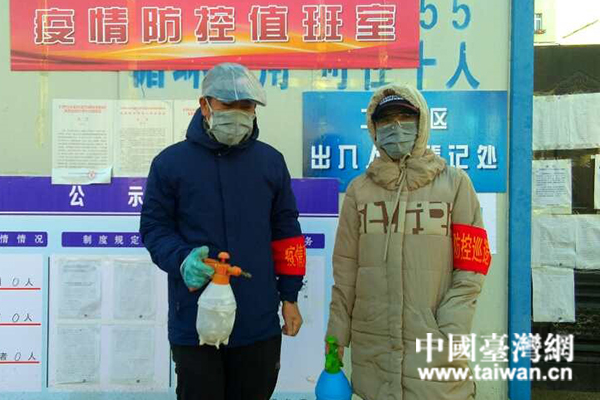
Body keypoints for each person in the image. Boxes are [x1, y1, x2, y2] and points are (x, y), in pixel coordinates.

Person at [140, 62, 306, 400]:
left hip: (257, 320)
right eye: (228, 105)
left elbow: (287, 232)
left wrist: (289, 297)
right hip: (195, 321)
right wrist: (182, 258)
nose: (238, 114)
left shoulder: (270, 162)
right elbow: (155, 228)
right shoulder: (170, 164)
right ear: (205, 105)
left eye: (246, 106)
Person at [326, 83, 492, 400]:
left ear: (422, 122)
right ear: (374, 129)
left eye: (405, 117)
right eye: (387, 120)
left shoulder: (455, 184)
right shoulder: (359, 191)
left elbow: (473, 266)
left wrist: (450, 330)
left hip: (434, 346)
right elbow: (344, 273)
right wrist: (334, 343)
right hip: (373, 348)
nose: (396, 127)